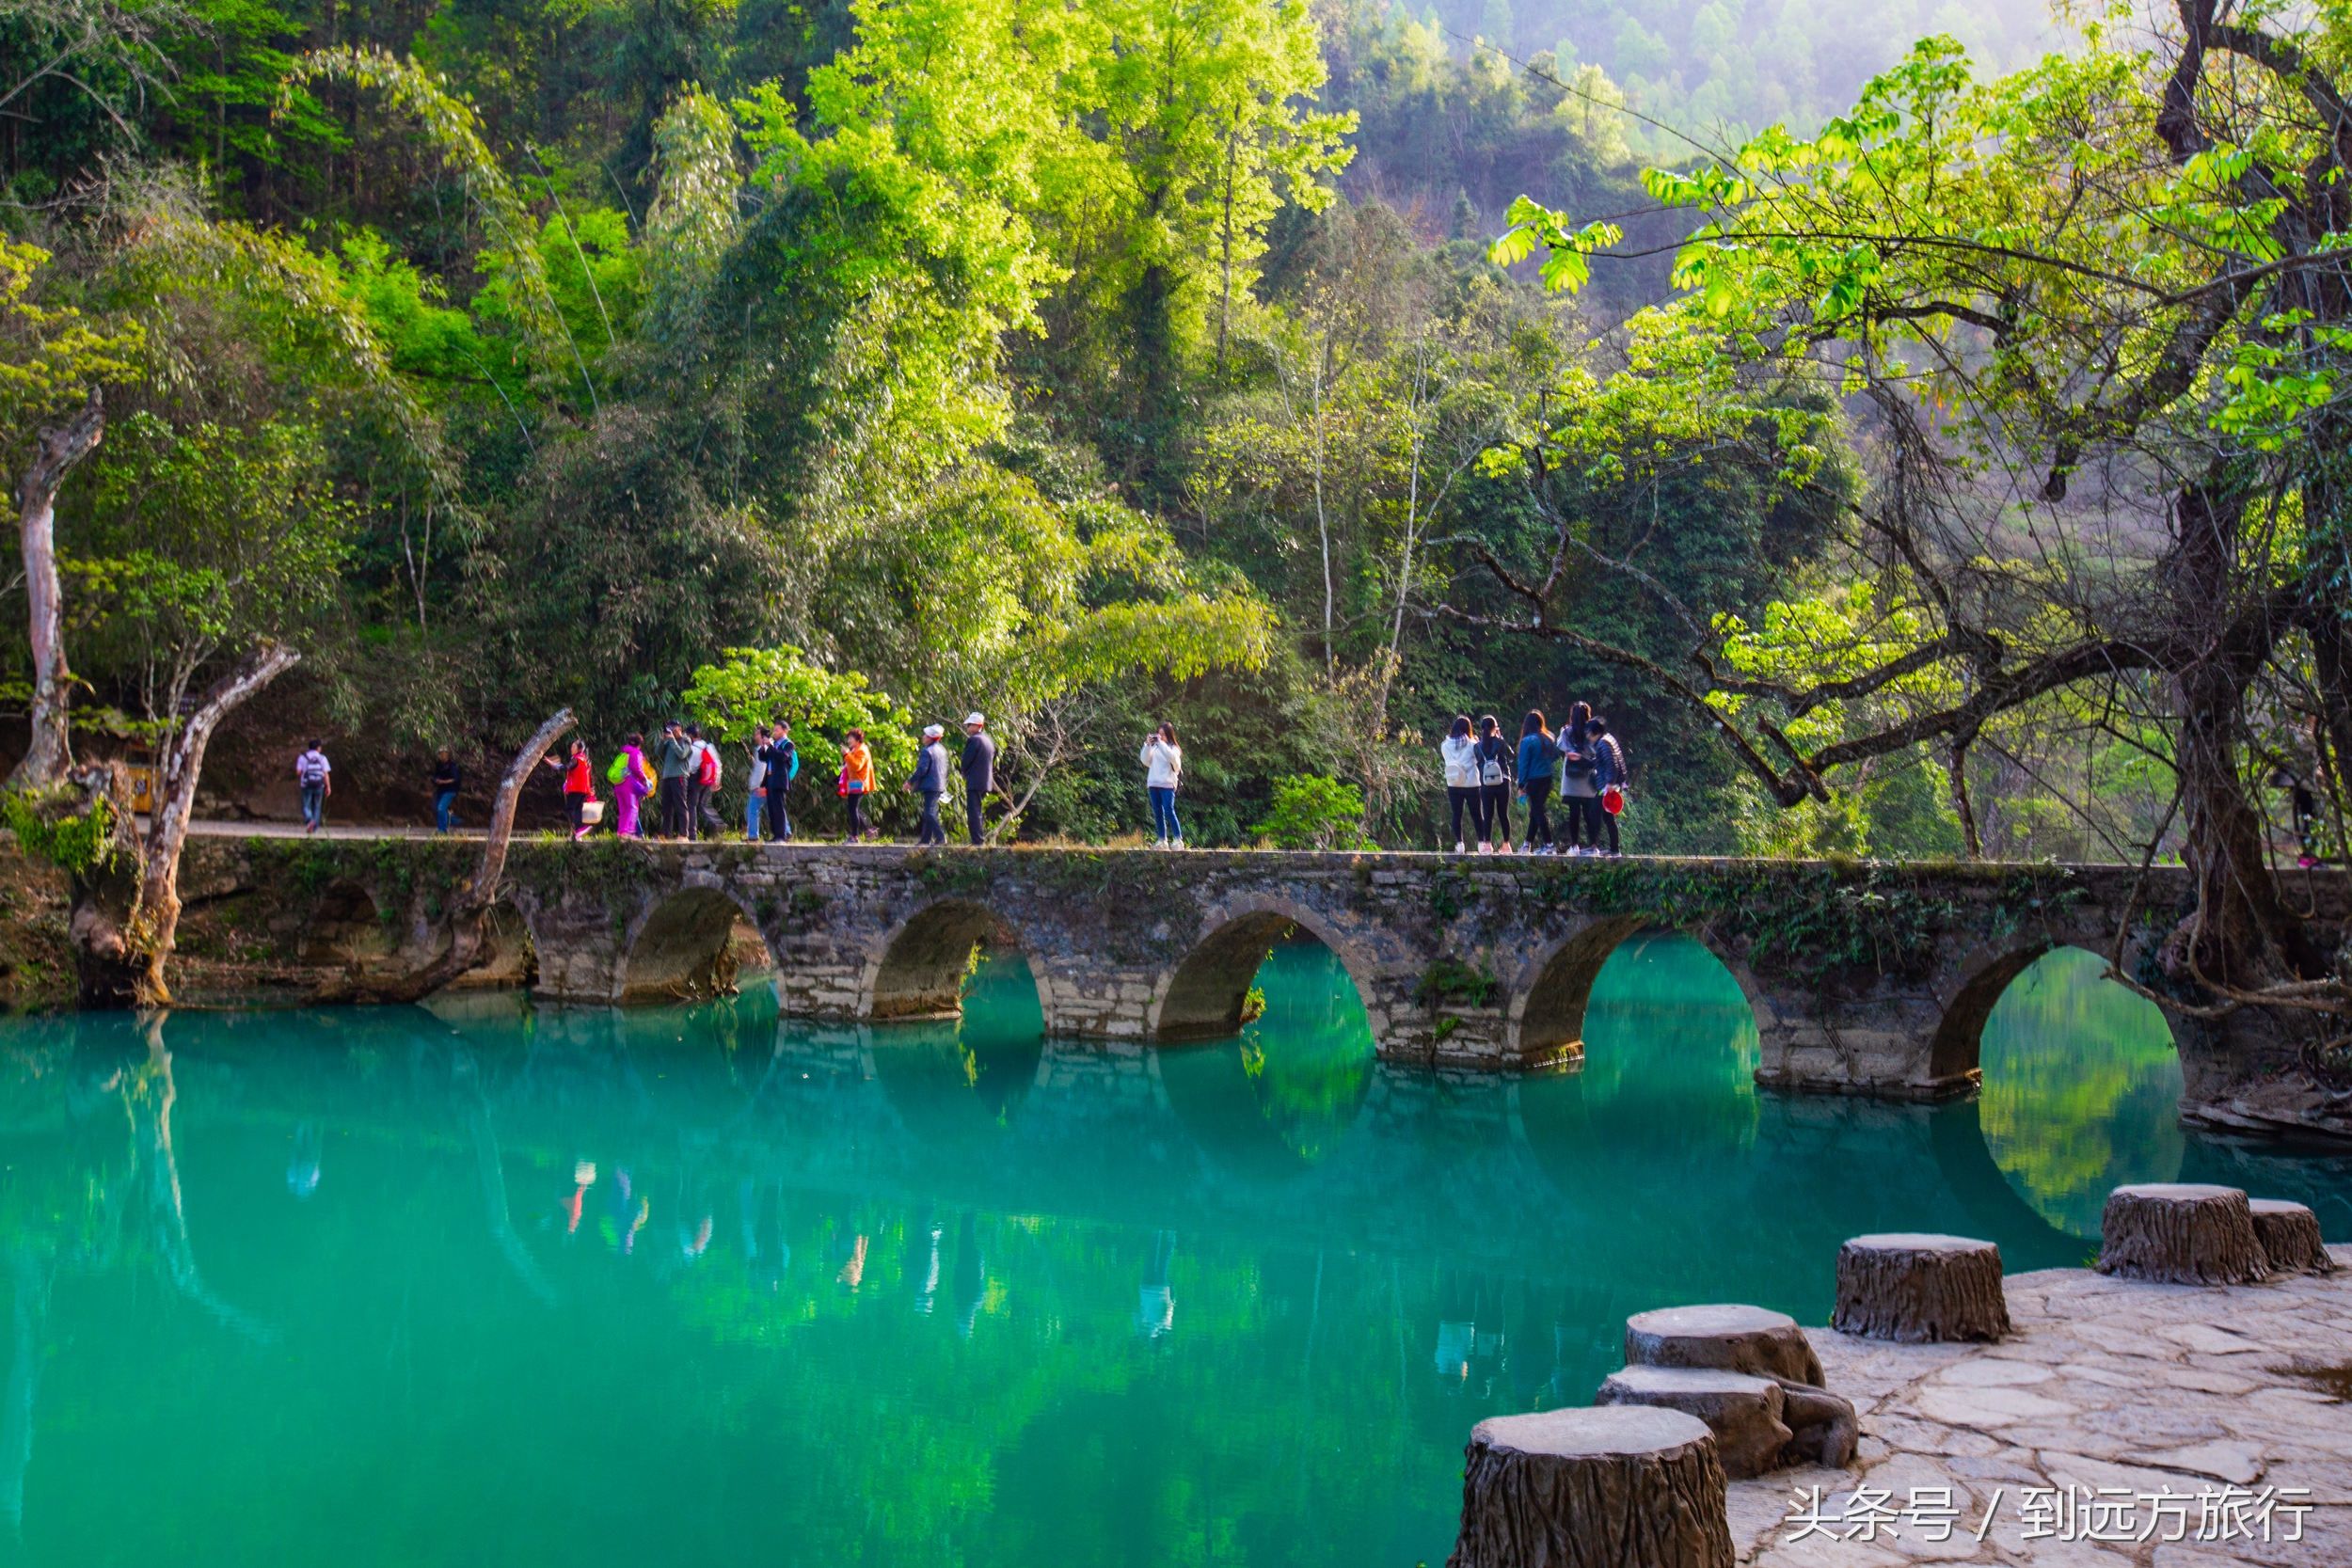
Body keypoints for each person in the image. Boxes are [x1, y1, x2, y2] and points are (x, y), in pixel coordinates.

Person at [1557, 700, 1598, 854]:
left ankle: (1574, 846)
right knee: (1589, 814)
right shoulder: (1591, 732)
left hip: (1572, 778)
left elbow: (1561, 746)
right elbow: (1595, 751)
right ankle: (1594, 846)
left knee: (1574, 813)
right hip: (1587, 779)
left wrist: (1573, 753)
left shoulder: (1567, 732)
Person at [1439, 716, 1486, 852]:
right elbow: (1479, 759)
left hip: (1453, 783)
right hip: (1471, 783)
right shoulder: (1472, 744)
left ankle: (1459, 844)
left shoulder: (1444, 745)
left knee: (1456, 814)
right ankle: (1481, 843)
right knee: (1476, 814)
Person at [1516, 711, 1559, 853]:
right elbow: (1555, 756)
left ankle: (1549, 844)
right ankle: (1527, 844)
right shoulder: (1549, 738)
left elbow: (1523, 764)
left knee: (1538, 811)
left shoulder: (1527, 741)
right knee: (1536, 810)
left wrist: (1521, 784)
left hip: (1533, 780)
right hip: (1547, 778)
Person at [1585, 716, 1626, 857]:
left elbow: (1611, 763)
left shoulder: (1603, 744)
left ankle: (1594, 846)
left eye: (1589, 732)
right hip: (1608, 785)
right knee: (1608, 818)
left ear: (1595, 732)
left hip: (1606, 787)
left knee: (1594, 814)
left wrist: (1609, 782)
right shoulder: (1607, 740)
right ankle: (1614, 849)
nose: (1588, 736)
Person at [545, 737, 598, 840]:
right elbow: (590, 775)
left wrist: (553, 764)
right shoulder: (586, 759)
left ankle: (579, 828)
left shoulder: (576, 759)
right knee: (578, 809)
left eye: (573, 746)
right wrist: (591, 787)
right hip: (584, 789)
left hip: (576, 788)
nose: (571, 748)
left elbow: (566, 767)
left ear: (579, 749)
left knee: (570, 809)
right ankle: (577, 833)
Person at [1474, 716, 1513, 853]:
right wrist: (1500, 737)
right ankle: (1506, 844)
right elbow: (1512, 756)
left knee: (1488, 814)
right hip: (1502, 781)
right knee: (1503, 813)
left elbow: (1477, 761)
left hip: (1486, 783)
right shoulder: (1500, 743)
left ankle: (1487, 845)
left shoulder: (1477, 746)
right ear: (1495, 728)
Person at [1141, 722, 1184, 848]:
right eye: (1158, 735)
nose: (1160, 737)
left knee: (1169, 810)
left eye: (1163, 735)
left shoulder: (1173, 748)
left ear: (1169, 735)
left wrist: (1161, 743)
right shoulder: (1154, 747)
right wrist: (1148, 745)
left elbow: (1172, 759)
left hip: (1167, 783)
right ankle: (1162, 840)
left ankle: (1177, 839)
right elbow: (1145, 761)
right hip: (1153, 783)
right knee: (1158, 812)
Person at [909, 723, 951, 845]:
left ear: (930, 738)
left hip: (930, 785)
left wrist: (910, 782)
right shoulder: (942, 750)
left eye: (925, 735)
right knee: (930, 812)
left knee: (929, 813)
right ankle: (925, 840)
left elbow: (922, 770)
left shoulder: (927, 751)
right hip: (939, 785)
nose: (923, 737)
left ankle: (940, 837)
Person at [959, 712, 996, 844]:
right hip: (986, 782)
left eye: (969, 725)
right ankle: (979, 839)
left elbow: (966, 760)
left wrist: (963, 772)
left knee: (973, 812)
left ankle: (978, 842)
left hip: (974, 781)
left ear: (976, 726)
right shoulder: (988, 740)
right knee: (978, 811)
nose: (967, 728)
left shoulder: (974, 740)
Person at [758, 721, 797, 843]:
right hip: (770, 779)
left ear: (785, 731)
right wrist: (764, 746)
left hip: (780, 780)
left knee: (779, 808)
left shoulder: (788, 744)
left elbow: (783, 757)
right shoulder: (773, 744)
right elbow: (763, 757)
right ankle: (775, 835)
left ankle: (781, 836)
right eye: (774, 730)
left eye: (777, 730)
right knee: (771, 808)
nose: (774, 732)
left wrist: (771, 746)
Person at [685, 724, 725, 839]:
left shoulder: (693, 748)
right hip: (707, 780)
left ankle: (692, 834)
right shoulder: (708, 746)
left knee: (691, 806)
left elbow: (690, 767)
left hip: (695, 779)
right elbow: (717, 763)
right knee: (704, 804)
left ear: (690, 735)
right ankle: (719, 824)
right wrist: (717, 780)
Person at [610, 733, 653, 838]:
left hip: (618, 784)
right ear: (639, 744)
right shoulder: (636, 753)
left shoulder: (623, 753)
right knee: (632, 808)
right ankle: (627, 832)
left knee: (623, 809)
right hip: (628, 784)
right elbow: (636, 768)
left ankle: (621, 832)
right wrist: (645, 779)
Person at [655, 721, 694, 838]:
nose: (671, 730)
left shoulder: (686, 740)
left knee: (680, 805)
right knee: (666, 807)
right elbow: (657, 753)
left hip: (680, 776)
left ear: (680, 728)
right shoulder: (668, 742)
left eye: (673, 727)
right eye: (669, 728)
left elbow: (682, 754)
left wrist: (672, 740)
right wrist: (662, 740)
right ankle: (666, 834)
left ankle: (683, 834)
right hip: (667, 777)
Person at [839, 728, 876, 841]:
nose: (848, 740)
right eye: (848, 738)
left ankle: (855, 836)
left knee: (853, 808)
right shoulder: (856, 749)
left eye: (850, 738)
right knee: (853, 808)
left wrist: (846, 754)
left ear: (857, 739)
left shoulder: (862, 750)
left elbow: (857, 766)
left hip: (859, 783)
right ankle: (868, 830)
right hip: (855, 782)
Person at [295, 741, 331, 833]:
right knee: (317, 806)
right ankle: (314, 828)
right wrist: (328, 787)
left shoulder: (302, 757)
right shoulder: (322, 758)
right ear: (318, 748)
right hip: (319, 785)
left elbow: (298, 772)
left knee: (306, 805)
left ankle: (309, 820)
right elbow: (326, 774)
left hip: (306, 784)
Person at [431, 749, 462, 834]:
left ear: (447, 755)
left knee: (441, 808)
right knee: (435, 808)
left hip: (450, 790)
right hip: (441, 790)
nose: (442, 756)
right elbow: (435, 775)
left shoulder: (452, 766)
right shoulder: (439, 765)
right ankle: (454, 820)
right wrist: (435, 780)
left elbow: (455, 779)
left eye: (443, 754)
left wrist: (443, 782)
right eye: (440, 754)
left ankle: (442, 830)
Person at [745, 741, 769, 842]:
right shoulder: (766, 748)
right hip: (765, 786)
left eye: (758, 733)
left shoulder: (762, 749)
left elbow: (762, 770)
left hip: (760, 787)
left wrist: (761, 786)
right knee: (772, 810)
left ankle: (753, 836)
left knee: (752, 810)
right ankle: (786, 831)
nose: (755, 736)